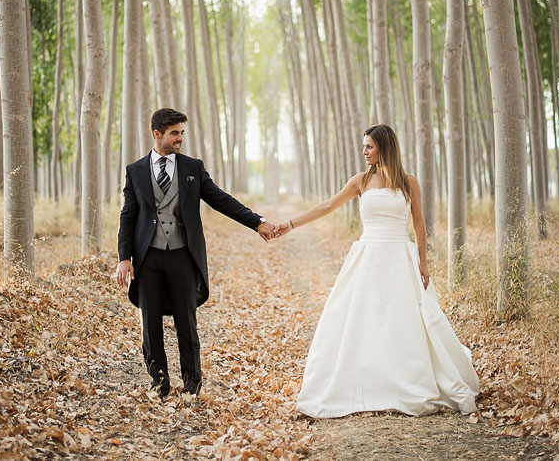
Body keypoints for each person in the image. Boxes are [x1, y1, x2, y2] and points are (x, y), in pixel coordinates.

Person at [273, 124, 480, 418]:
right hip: (368, 256)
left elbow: (419, 223)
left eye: (369, 147)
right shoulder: (360, 181)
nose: (364, 152)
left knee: (404, 319)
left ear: (384, 147)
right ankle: (365, 379)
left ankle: (407, 375)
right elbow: (328, 205)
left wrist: (423, 261)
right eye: (363, 147)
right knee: (364, 317)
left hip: (400, 256)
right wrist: (289, 225)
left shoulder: (409, 182)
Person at [115, 108, 277, 397]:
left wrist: (257, 222)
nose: (180, 139)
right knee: (150, 324)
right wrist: (124, 258)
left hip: (183, 255)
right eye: (174, 133)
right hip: (148, 257)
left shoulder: (192, 167)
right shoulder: (135, 170)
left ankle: (192, 384)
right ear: (157, 134)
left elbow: (221, 200)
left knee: (186, 323)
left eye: (182, 133)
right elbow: (128, 216)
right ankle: (160, 383)